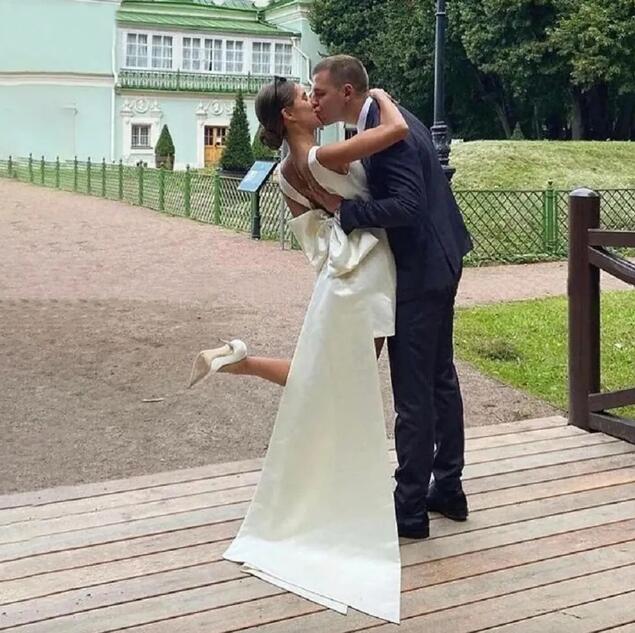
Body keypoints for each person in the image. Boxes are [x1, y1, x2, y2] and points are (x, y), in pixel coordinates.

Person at [188, 78, 408, 623]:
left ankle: (242, 362)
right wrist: (378, 95)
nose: (313, 99)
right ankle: (342, 484)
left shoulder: (289, 168)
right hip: (362, 271)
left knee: (326, 376)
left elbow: (314, 233)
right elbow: (396, 130)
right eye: (304, 96)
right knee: (341, 379)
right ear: (289, 114)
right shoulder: (324, 155)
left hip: (340, 274)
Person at [309, 55, 474, 539]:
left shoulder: (386, 128)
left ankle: (410, 508)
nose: (314, 100)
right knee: (439, 377)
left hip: (421, 270)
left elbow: (407, 206)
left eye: (319, 92)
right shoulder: (385, 114)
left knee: (414, 389)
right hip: (441, 258)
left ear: (346, 92)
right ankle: (449, 489)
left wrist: (347, 213)